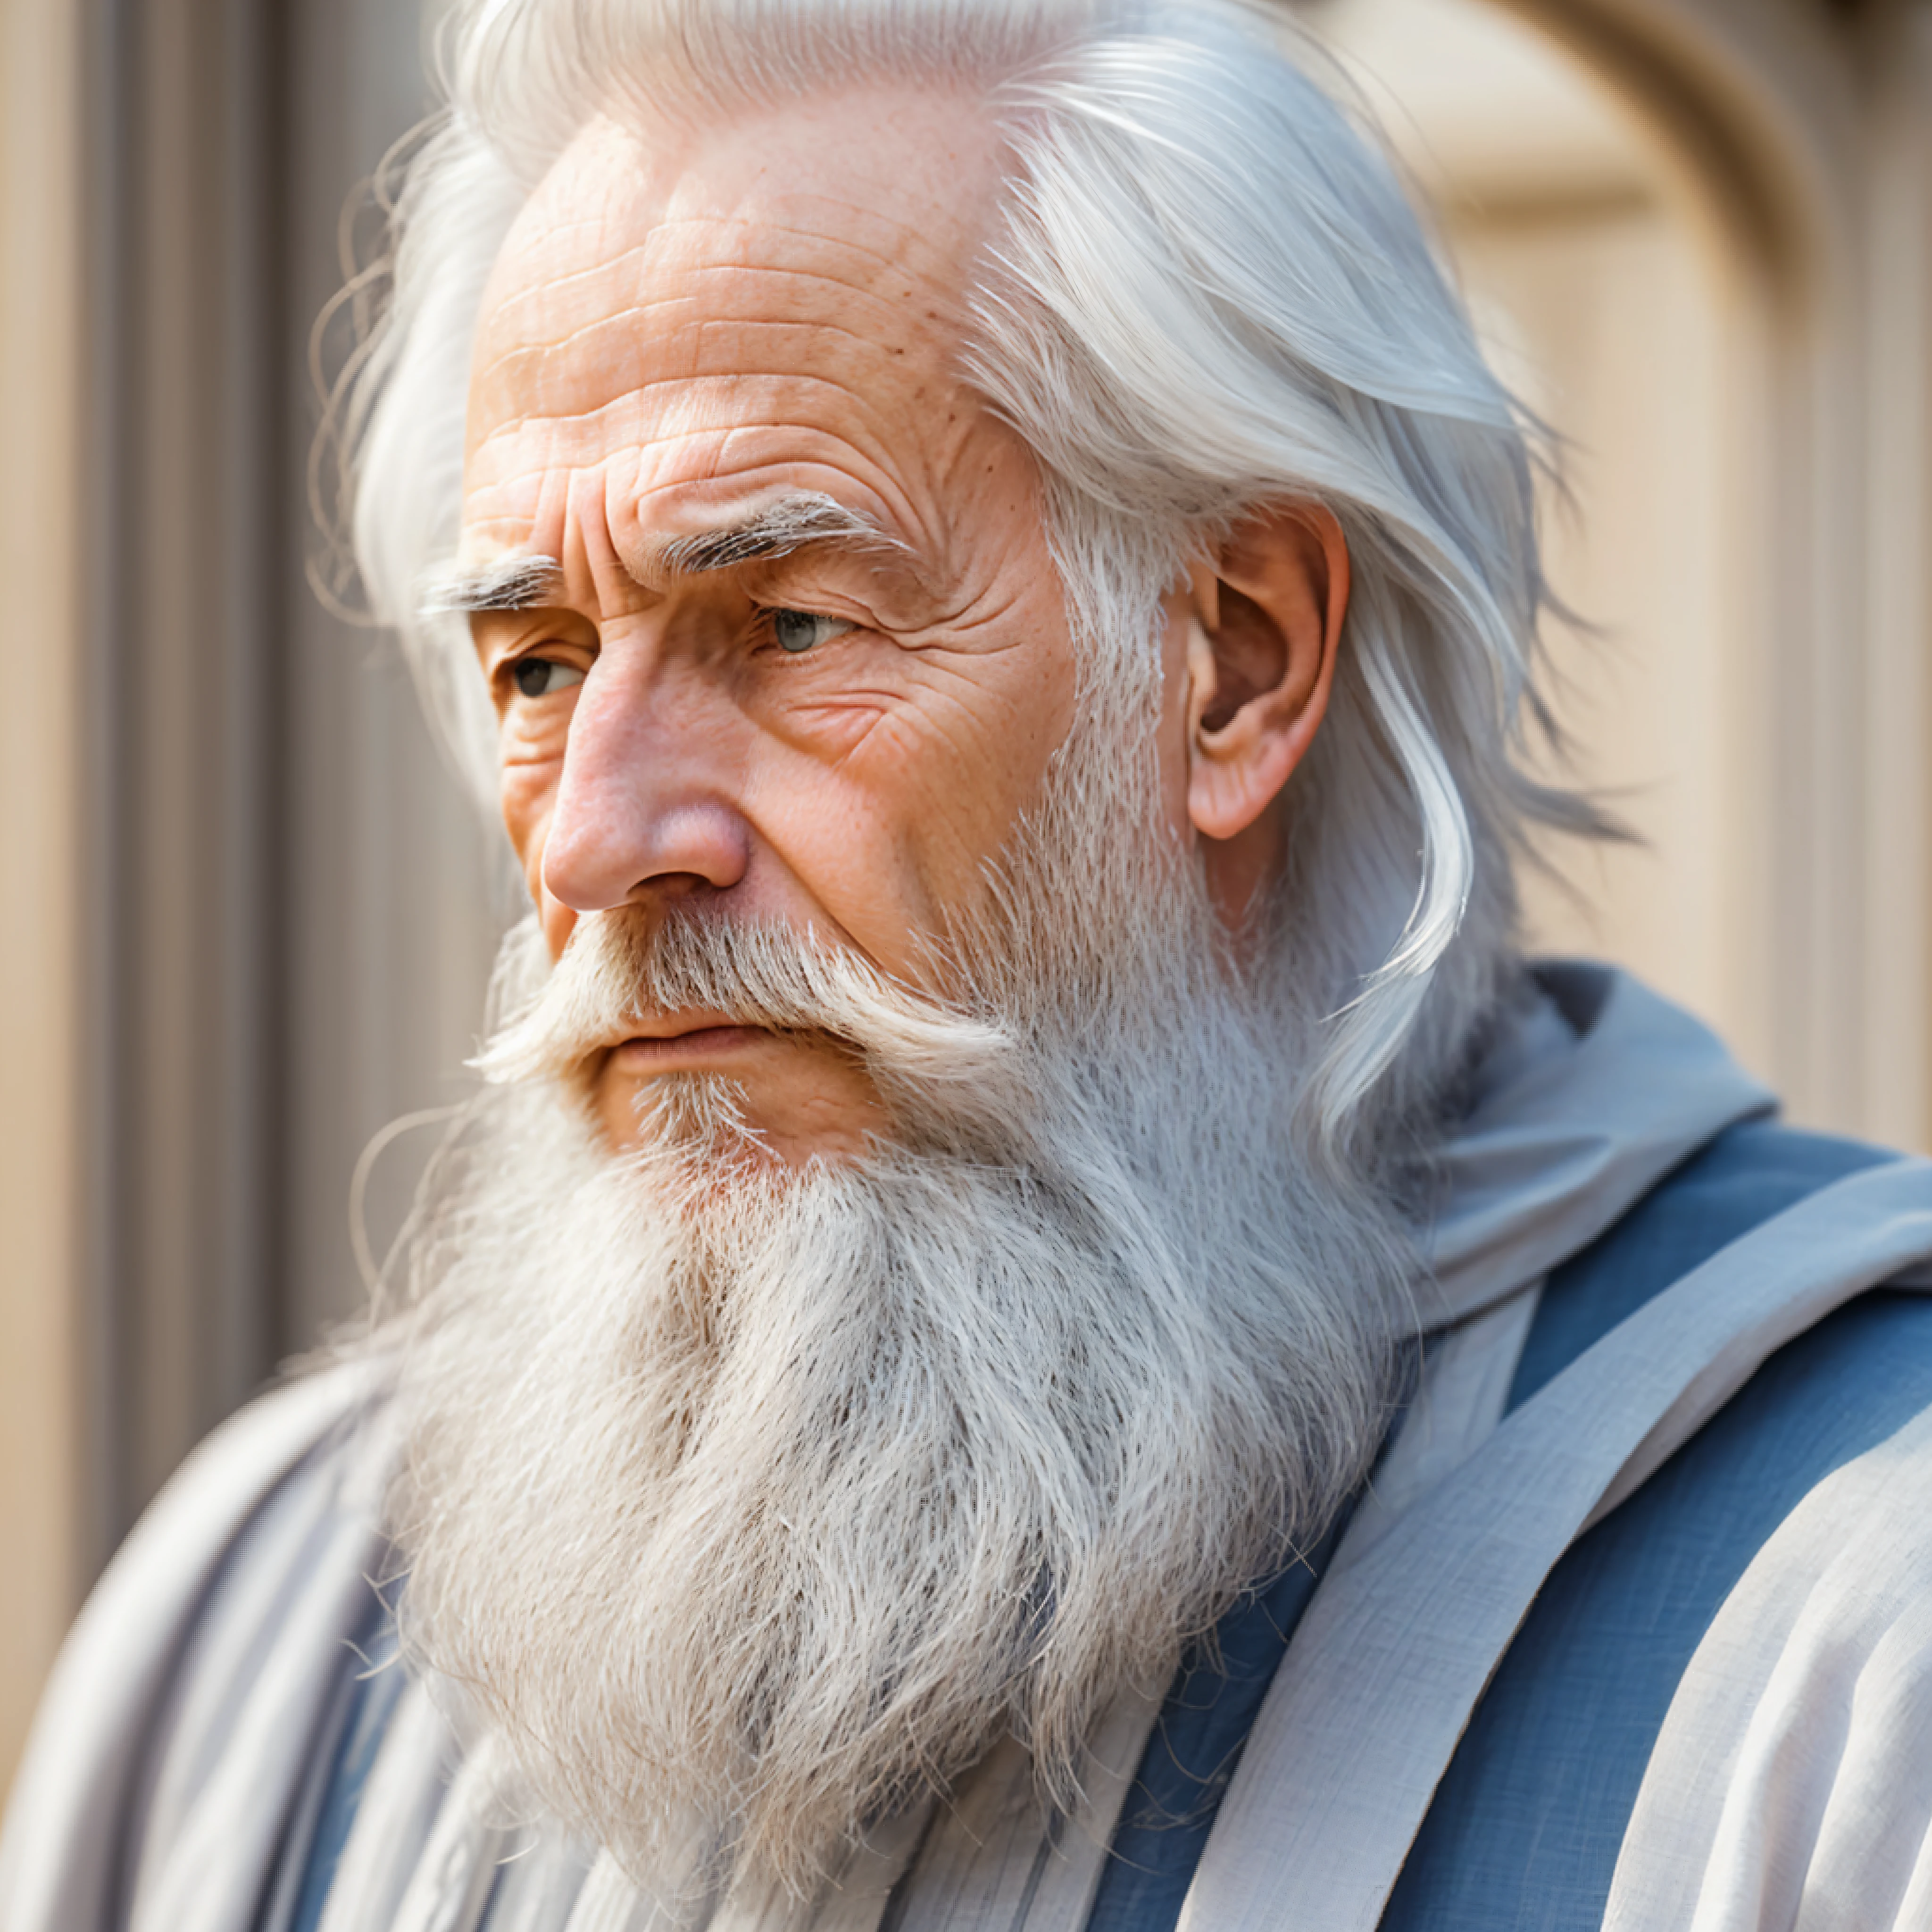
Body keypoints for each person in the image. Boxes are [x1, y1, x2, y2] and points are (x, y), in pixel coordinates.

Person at [7, 1, 1932, 1926]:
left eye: (789, 624)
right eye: (540, 662)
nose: (598, 837)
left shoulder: (1853, 1632)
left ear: (1236, 661)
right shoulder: (261, 1644)